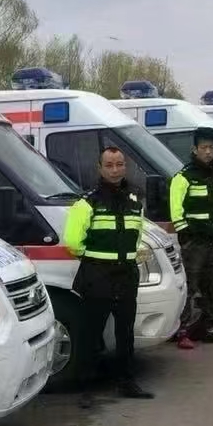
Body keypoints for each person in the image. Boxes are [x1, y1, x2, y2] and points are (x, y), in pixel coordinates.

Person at [63, 145, 153, 398]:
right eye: (109, 165)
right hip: (97, 275)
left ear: (125, 166)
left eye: (120, 164)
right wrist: (94, 259)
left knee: (125, 332)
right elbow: (72, 242)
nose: (115, 170)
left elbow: (137, 236)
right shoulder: (87, 202)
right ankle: (85, 388)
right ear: (100, 168)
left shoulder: (135, 198)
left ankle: (127, 383)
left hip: (126, 273)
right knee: (91, 333)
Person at [170, 127, 213, 347]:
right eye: (204, 148)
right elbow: (176, 208)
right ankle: (182, 333)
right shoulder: (183, 177)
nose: (208, 152)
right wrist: (186, 232)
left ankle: (212, 328)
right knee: (190, 286)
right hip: (195, 241)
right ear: (194, 149)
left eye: (211, 148)